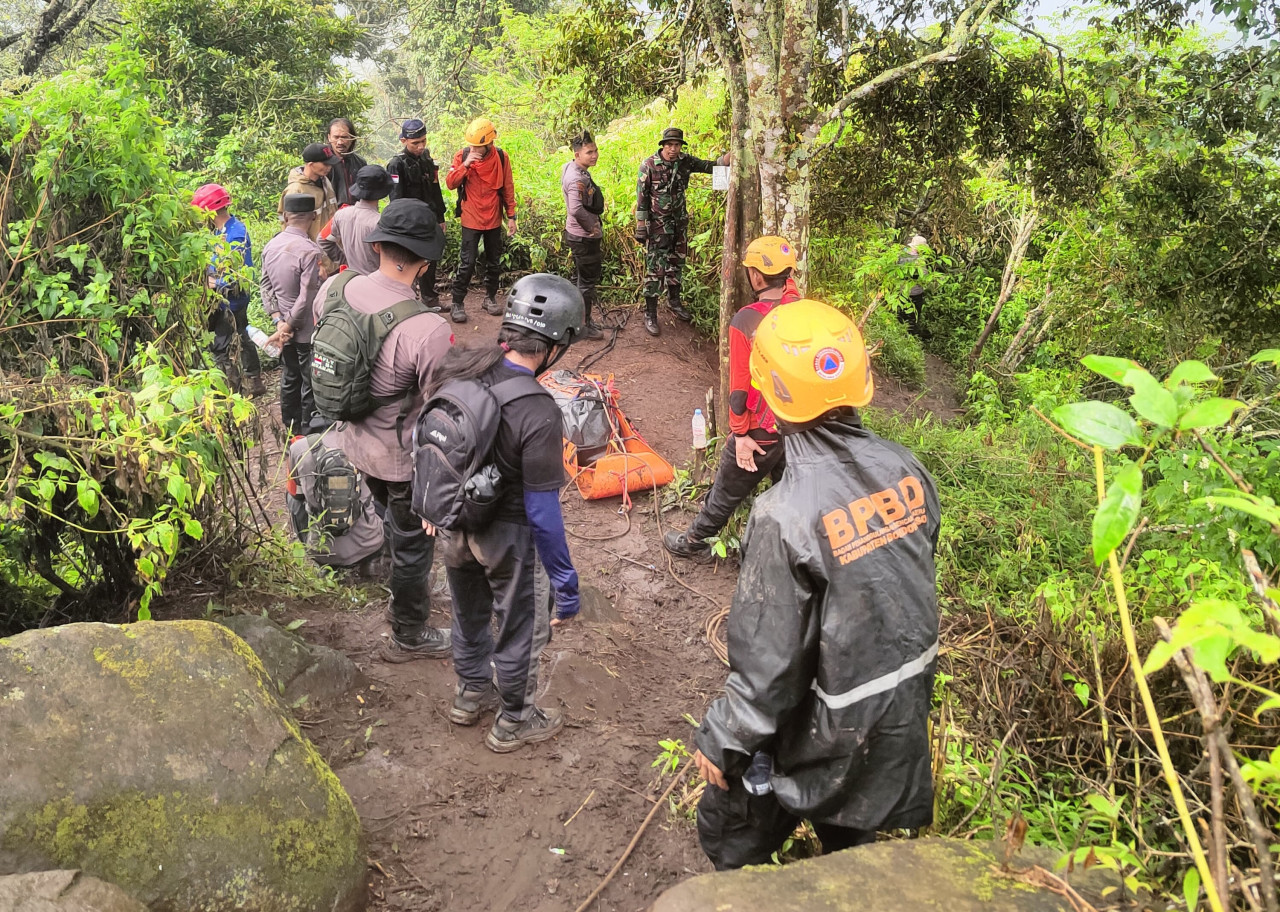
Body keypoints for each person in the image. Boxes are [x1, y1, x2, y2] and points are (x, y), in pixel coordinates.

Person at [691, 299, 941, 870]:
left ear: (772, 396)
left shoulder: (786, 512)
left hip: (822, 725)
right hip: (896, 715)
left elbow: (770, 659)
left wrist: (725, 735)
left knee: (730, 838)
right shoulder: (908, 470)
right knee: (851, 855)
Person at [428, 273, 583, 752]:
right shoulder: (538, 409)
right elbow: (542, 512)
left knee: (468, 612)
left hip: (453, 523)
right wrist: (565, 581)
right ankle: (515, 720)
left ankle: (470, 692)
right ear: (556, 342)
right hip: (506, 537)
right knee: (519, 625)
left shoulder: (465, 367)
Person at [312, 199, 455, 660]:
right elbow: (439, 407)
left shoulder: (335, 286)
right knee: (415, 542)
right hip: (400, 458)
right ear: (425, 262)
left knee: (388, 514)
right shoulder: (428, 327)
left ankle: (394, 565)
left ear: (378, 247)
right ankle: (409, 633)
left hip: (355, 441)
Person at [664, 236, 801, 560]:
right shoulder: (801, 310)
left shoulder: (746, 320)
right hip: (797, 424)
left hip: (761, 429)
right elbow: (790, 291)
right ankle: (785, 550)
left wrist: (739, 434)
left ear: (755, 277)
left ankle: (695, 541)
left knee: (728, 487)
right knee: (789, 489)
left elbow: (740, 387)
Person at [635, 127, 728, 336]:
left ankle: (674, 302)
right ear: (663, 146)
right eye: (669, 145)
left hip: (679, 224)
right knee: (655, 268)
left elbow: (708, 166)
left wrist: (726, 159)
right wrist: (641, 227)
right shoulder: (649, 165)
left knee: (677, 263)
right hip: (658, 227)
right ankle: (650, 313)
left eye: (677, 145)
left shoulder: (685, 161)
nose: (673, 149)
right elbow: (641, 199)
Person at [191, 183, 264, 397]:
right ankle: (252, 380)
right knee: (240, 335)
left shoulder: (236, 234)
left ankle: (230, 391)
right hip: (224, 298)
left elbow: (236, 273)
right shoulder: (219, 232)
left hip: (231, 299)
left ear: (210, 211)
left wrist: (212, 283)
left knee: (222, 345)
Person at [286, 419, 386, 570]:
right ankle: (374, 562)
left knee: (292, 498)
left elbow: (297, 497)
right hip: (370, 545)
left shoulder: (298, 448)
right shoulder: (362, 440)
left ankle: (318, 552)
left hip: (323, 553)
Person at [261, 194, 323, 436]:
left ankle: (290, 426)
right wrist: (289, 325)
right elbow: (306, 296)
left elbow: (265, 286)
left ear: (285, 217)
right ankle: (308, 430)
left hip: (283, 328)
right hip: (305, 327)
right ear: (314, 216)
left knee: (289, 374)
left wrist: (278, 321)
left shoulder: (271, 245)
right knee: (309, 379)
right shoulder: (309, 250)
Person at [445, 117, 516, 325]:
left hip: (493, 217)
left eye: (478, 146)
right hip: (471, 218)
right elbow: (450, 183)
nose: (474, 148)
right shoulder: (463, 156)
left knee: (494, 262)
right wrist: (466, 165)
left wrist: (511, 216)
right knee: (467, 262)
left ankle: (490, 298)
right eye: (472, 145)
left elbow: (508, 188)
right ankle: (457, 302)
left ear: (489, 144)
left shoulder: (501, 158)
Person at [387, 119, 449, 310]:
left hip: (429, 217)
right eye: (416, 143)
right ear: (404, 141)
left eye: (424, 141)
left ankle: (430, 298)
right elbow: (395, 200)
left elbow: (435, 188)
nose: (421, 146)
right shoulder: (396, 165)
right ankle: (409, 303)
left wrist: (440, 217)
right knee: (410, 263)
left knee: (430, 260)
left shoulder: (426, 159)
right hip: (409, 222)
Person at [560, 130, 605, 341]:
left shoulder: (573, 167)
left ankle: (579, 319)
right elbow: (576, 209)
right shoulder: (576, 178)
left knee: (581, 280)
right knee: (586, 283)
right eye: (589, 152)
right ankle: (583, 326)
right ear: (578, 154)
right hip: (583, 237)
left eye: (595, 150)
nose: (594, 155)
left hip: (578, 234)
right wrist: (592, 228)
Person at [321, 164, 391, 276]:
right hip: (376, 281)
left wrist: (345, 260)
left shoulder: (341, 214)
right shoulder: (381, 223)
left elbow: (322, 240)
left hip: (350, 278)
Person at [279, 143, 341, 248]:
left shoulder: (325, 181)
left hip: (331, 249)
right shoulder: (295, 190)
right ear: (311, 165)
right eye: (325, 164)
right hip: (311, 252)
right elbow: (289, 228)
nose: (329, 168)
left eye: (330, 164)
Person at [326, 117, 368, 207]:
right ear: (329, 137)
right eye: (336, 137)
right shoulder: (323, 163)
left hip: (356, 214)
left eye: (344, 137)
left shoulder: (360, 163)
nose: (340, 142)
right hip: (330, 215)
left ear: (352, 138)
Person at [897, 233, 930, 339]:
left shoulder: (901, 255)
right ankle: (911, 337)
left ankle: (900, 336)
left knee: (900, 315)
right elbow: (924, 276)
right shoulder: (920, 260)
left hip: (901, 291)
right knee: (913, 318)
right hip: (915, 293)